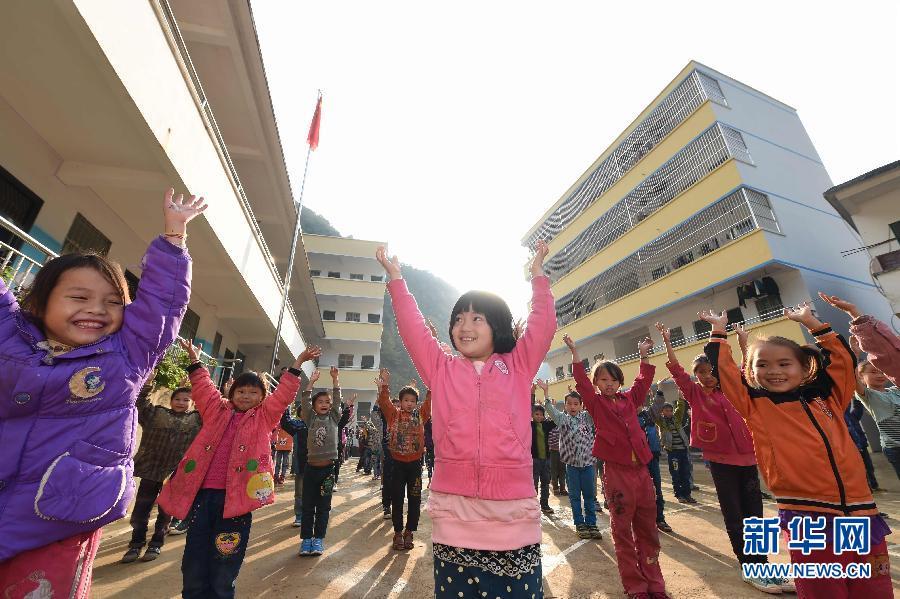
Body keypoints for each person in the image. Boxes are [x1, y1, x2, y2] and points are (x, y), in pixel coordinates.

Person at [0, 189, 200, 597]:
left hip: (60, 519)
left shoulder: (127, 354)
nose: (96, 309)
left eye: (113, 302)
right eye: (78, 297)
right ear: (40, 302)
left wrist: (174, 237)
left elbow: (162, 305)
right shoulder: (10, 337)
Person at [377, 241, 555, 599]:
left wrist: (538, 276)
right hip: (455, 518)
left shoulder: (519, 365)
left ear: (497, 325)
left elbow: (543, 325)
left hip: (512, 516)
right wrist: (397, 280)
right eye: (458, 318)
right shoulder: (441, 369)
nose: (464, 326)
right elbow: (414, 331)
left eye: (476, 318)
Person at [701, 297, 892, 598]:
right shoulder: (756, 406)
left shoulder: (829, 398)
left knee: (872, 588)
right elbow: (723, 371)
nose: (773, 371)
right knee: (823, 589)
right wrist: (718, 332)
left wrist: (813, 324)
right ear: (750, 372)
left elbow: (842, 361)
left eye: (783, 363)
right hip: (807, 516)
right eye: (762, 364)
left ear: (805, 369)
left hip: (861, 512)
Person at [157, 341, 318, 597]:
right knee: (194, 559)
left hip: (237, 503)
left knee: (225, 562)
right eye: (241, 391)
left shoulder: (265, 417)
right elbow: (204, 388)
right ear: (231, 393)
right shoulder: (215, 410)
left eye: (253, 392)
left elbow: (283, 396)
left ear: (262, 398)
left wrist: (297, 364)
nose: (246, 396)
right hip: (203, 498)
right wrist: (195, 361)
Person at [656, 322, 778, 593]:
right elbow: (676, 369)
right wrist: (667, 340)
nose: (707, 376)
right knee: (734, 514)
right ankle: (749, 567)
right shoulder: (694, 393)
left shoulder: (735, 388)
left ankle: (764, 565)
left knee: (755, 515)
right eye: (700, 372)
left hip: (748, 458)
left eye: (710, 370)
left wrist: (743, 341)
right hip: (721, 462)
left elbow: (745, 368)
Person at [564, 333, 670, 599]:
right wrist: (575, 353)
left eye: (613, 379)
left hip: (641, 471)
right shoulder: (595, 403)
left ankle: (655, 583)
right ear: (596, 384)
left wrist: (644, 355)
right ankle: (635, 587)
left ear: (620, 381)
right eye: (603, 380)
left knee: (648, 529)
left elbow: (643, 381)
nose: (608, 384)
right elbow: (581, 382)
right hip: (616, 473)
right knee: (622, 532)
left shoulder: (630, 400)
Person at [122, 382, 201, 564]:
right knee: (140, 512)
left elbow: (214, 410)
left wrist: (205, 390)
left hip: (174, 476)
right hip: (150, 471)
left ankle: (156, 544)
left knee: (165, 514)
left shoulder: (197, 420)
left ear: (193, 403)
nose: (181, 402)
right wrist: (148, 383)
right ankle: (135, 544)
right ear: (171, 400)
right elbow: (140, 403)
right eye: (177, 399)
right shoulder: (157, 414)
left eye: (186, 400)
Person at [298, 366, 353, 556]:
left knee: (323, 507)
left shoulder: (334, 418)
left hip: (328, 471)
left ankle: (318, 539)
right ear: (313, 406)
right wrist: (311, 382)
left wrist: (335, 379)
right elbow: (305, 400)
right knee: (308, 507)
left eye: (327, 402)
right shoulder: (310, 418)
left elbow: (337, 399)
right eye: (320, 402)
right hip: (311, 470)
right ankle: (306, 540)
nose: (324, 404)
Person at [376, 369, 432, 550]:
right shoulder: (393, 415)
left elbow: (429, 403)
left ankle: (409, 532)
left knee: (415, 499)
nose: (409, 403)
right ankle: (398, 532)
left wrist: (430, 387)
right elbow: (384, 403)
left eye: (412, 401)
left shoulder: (421, 415)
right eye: (406, 400)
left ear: (416, 403)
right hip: (397, 465)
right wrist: (385, 385)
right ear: (400, 402)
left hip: (415, 465)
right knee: (397, 499)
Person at [538, 382, 601, 539]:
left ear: (581, 405)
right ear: (565, 406)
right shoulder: (562, 419)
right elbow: (550, 409)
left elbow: (597, 406)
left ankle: (591, 524)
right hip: (572, 467)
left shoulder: (587, 418)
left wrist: (594, 391)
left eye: (576, 404)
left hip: (588, 465)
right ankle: (580, 524)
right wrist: (546, 392)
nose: (572, 406)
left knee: (589, 496)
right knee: (574, 497)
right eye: (569, 404)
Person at [652, 392, 696, 505]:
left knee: (685, 473)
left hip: (683, 451)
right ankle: (679, 495)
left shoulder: (676, 419)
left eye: (670, 410)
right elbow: (654, 412)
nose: (669, 412)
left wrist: (681, 398)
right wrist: (656, 398)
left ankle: (687, 494)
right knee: (676, 474)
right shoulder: (661, 422)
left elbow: (680, 408)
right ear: (662, 412)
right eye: (666, 410)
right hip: (673, 453)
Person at [638, 396, 671, 533]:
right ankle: (643, 521)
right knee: (640, 492)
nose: (637, 406)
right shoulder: (628, 418)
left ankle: (660, 518)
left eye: (638, 403)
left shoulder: (649, 415)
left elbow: (657, 405)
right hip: (638, 460)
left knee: (657, 489)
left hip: (652, 457)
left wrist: (660, 393)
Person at [279, 406, 308, 528]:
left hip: (317, 466)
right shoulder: (298, 425)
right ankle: (299, 516)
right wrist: (285, 403)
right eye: (304, 410)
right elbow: (285, 422)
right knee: (299, 493)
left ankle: (312, 515)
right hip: (301, 465)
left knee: (315, 493)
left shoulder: (319, 424)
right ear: (300, 413)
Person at [531, 404, 557, 514]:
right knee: (534, 484)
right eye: (536, 414)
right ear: (532, 415)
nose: (539, 416)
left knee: (545, 483)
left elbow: (556, 419)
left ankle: (545, 505)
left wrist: (550, 406)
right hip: (534, 460)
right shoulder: (529, 425)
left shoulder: (546, 425)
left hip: (546, 460)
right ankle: (533, 506)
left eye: (541, 415)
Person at [333, 394, 354, 485]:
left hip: (337, 446)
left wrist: (349, 406)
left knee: (336, 463)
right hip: (324, 449)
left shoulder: (339, 423)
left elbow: (345, 417)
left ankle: (334, 481)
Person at [548, 420, 567, 497]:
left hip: (563, 452)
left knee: (562, 470)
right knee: (554, 471)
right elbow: (549, 441)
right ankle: (555, 488)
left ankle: (562, 488)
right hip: (553, 452)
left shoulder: (564, 426)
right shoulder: (550, 427)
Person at [370, 404, 385, 480]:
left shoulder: (385, 423)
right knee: (375, 460)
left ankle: (381, 476)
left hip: (384, 446)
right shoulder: (377, 424)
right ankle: (376, 474)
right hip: (376, 446)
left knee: (383, 462)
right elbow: (373, 415)